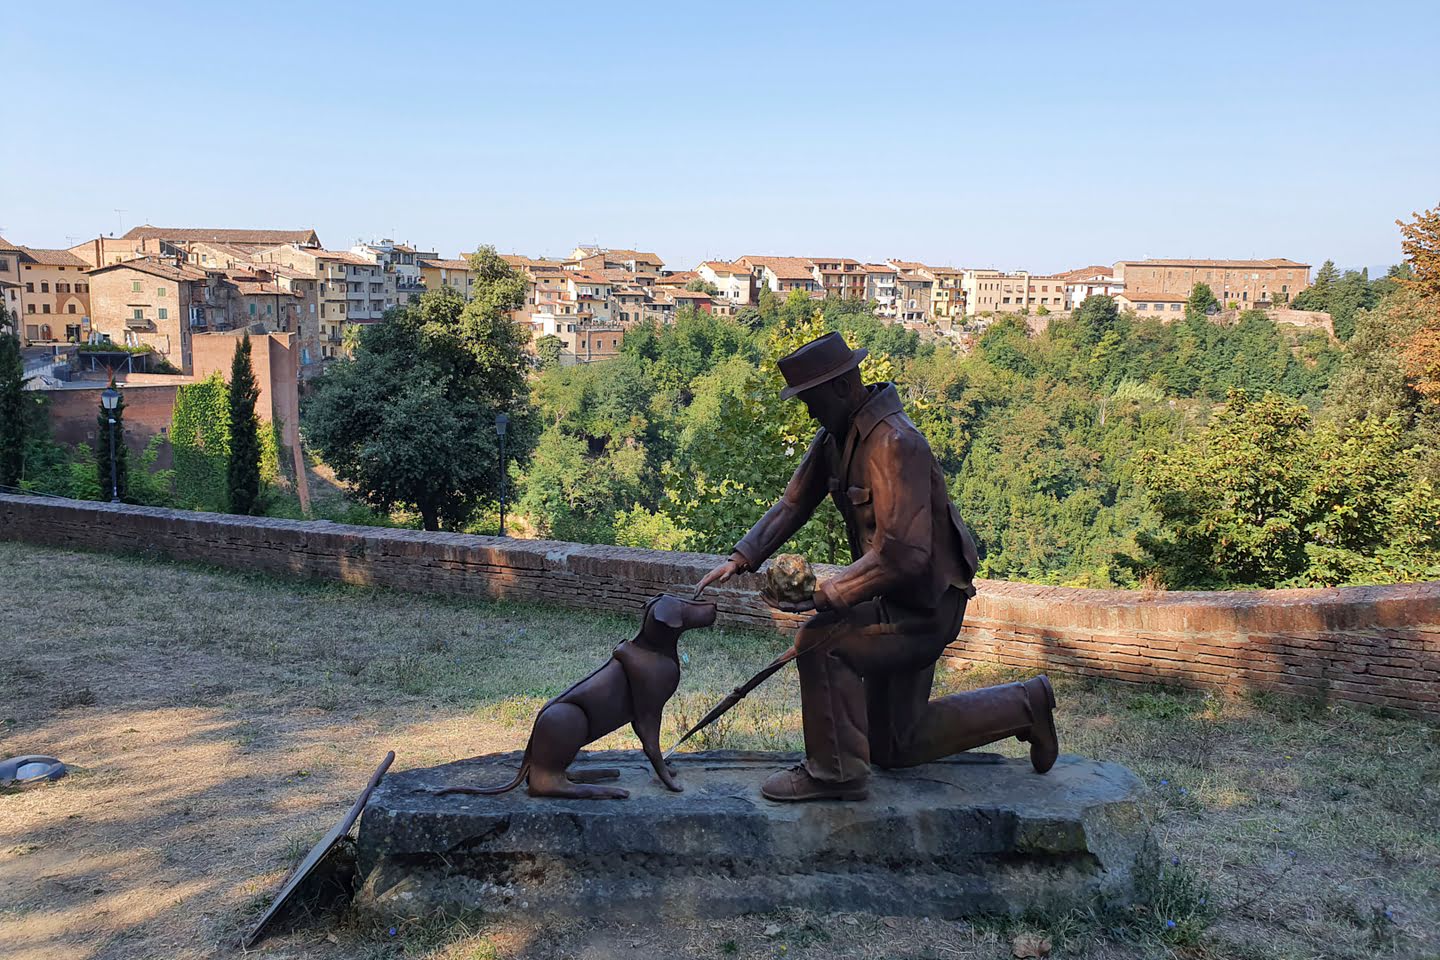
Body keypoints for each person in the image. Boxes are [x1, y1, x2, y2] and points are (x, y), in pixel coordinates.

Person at [696, 332, 1058, 802]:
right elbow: (793, 504)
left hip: (923, 609)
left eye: (811, 399)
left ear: (843, 389)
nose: (807, 411)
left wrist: (823, 596)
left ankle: (836, 773)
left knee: (821, 640)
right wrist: (741, 558)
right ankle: (1026, 704)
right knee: (895, 744)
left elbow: (902, 555)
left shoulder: (895, 444)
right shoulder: (836, 437)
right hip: (892, 599)